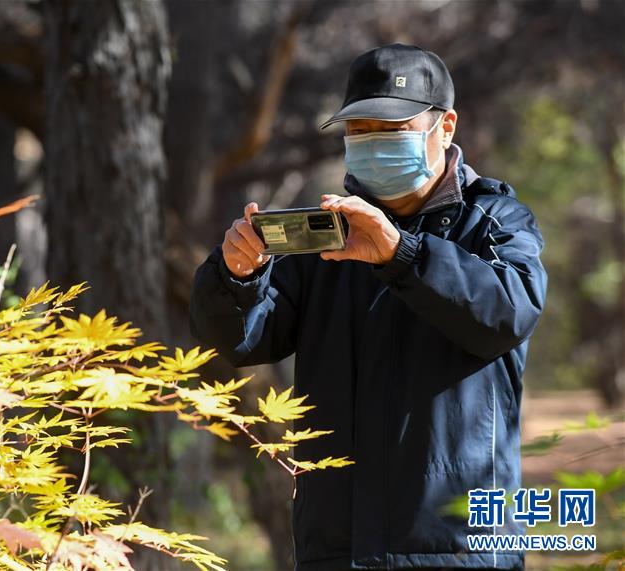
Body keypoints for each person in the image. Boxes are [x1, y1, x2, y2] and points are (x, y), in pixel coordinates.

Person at [188, 43, 548, 570]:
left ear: (445, 127)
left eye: (391, 128)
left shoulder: (495, 221)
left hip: (460, 549)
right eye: (359, 131)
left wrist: (400, 253)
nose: (372, 143)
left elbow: (507, 312)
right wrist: (237, 276)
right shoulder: (326, 235)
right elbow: (243, 340)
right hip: (338, 547)